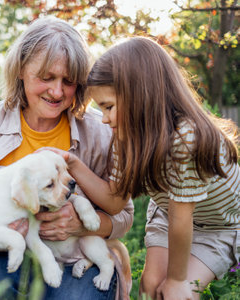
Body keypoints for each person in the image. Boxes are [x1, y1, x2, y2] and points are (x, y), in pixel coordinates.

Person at [0, 17, 134, 299]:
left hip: (73, 257)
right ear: (20, 69)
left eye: (68, 82)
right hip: (6, 257)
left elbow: (125, 215)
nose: (57, 92)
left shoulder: (100, 131)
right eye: (46, 78)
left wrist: (81, 225)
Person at [80, 36, 239, 300]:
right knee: (151, 287)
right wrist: (73, 166)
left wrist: (176, 280)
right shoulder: (126, 137)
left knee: (176, 293)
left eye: (108, 107)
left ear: (139, 95)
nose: (104, 119)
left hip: (218, 226)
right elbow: (114, 200)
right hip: (170, 213)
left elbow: (183, 219)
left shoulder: (188, 138)